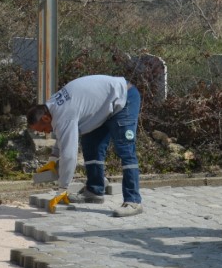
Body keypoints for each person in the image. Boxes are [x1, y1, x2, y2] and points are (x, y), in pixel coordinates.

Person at [27, 74, 143, 217]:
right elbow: (62, 133)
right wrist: (53, 159)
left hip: (124, 97)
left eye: (43, 129)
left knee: (125, 149)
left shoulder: (64, 113)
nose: (46, 132)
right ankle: (94, 191)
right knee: (91, 145)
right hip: (105, 106)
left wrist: (62, 188)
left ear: (45, 118)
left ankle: (133, 201)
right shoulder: (51, 107)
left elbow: (69, 156)